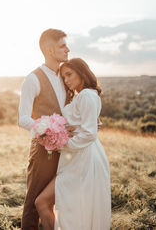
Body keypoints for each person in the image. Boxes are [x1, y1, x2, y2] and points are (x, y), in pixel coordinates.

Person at [34, 58, 111, 230]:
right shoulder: (84, 95)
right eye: (64, 77)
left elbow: (89, 134)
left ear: (82, 72)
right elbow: (86, 124)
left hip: (83, 158)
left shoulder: (86, 95)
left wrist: (60, 143)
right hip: (76, 157)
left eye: (69, 74)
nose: (67, 80)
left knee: (43, 202)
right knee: (75, 207)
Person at [18, 28, 70, 230]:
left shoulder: (65, 76)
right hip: (42, 152)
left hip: (66, 151)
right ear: (49, 50)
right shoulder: (32, 79)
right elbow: (22, 118)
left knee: (55, 202)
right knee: (33, 203)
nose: (67, 49)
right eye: (62, 45)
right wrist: (47, 130)